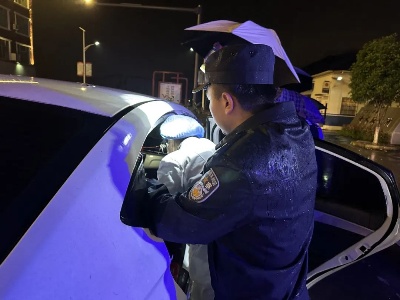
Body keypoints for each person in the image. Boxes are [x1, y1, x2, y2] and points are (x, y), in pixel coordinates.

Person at [121, 43, 318, 299]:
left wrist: (142, 191)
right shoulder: (297, 132)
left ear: (226, 101)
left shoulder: (242, 162)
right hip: (287, 288)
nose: (210, 107)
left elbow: (183, 223)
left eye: (209, 97)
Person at [156, 114, 216, 300]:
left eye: (166, 143)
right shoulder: (213, 146)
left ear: (172, 141)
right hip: (226, 229)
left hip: (201, 234)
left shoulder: (174, 159)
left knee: (204, 289)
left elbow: (165, 203)